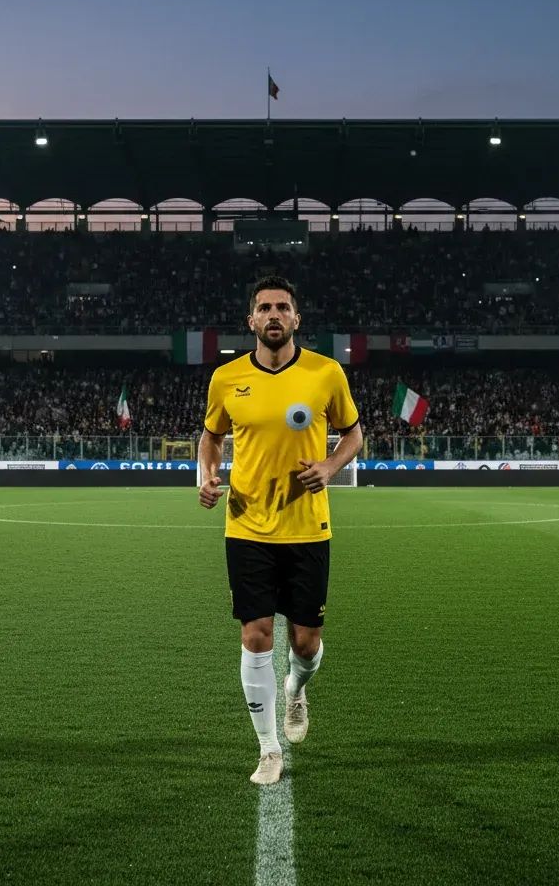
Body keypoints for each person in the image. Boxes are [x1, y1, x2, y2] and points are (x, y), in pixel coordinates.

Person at [198, 275, 363, 785]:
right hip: (247, 527)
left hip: (307, 528)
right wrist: (206, 473)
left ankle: (295, 689)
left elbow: (353, 433)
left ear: (296, 319)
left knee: (306, 643)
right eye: (264, 308)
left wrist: (331, 468)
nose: (274, 315)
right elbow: (210, 437)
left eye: (282, 307)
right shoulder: (226, 378)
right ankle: (268, 749)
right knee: (255, 635)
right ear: (251, 320)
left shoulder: (325, 372)